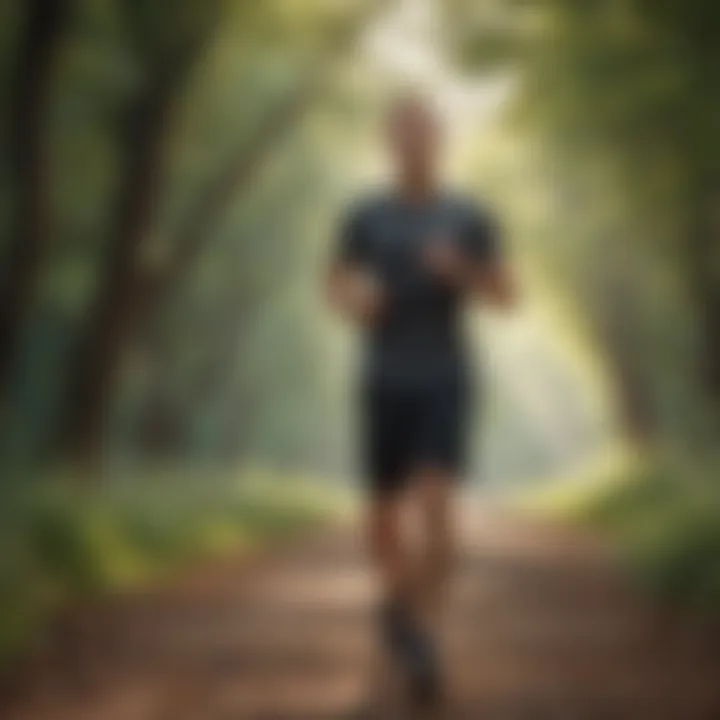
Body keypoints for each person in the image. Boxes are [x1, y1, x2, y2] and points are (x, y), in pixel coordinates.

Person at [327, 94, 516, 709]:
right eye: (402, 131)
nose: (413, 140)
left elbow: (509, 295)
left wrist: (460, 269)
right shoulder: (365, 215)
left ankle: (424, 637)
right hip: (383, 380)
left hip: (446, 376)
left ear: (441, 138)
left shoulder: (468, 215)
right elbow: (335, 282)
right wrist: (359, 301)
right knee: (382, 523)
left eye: (424, 130)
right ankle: (399, 607)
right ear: (387, 140)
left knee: (435, 497)